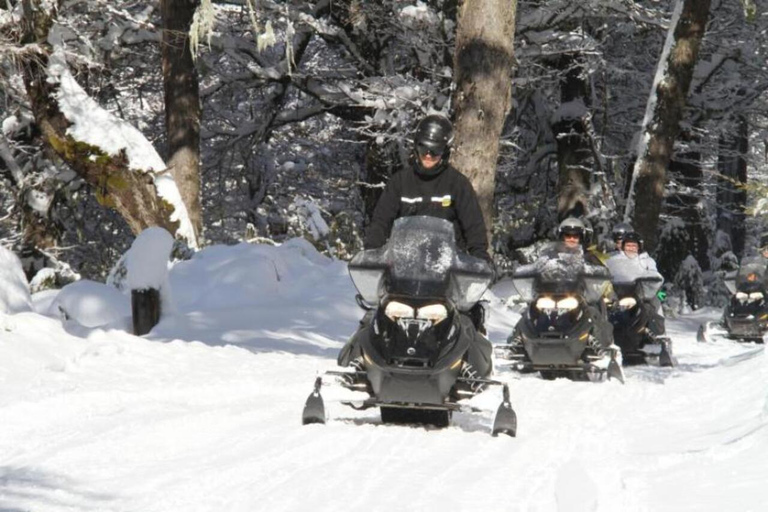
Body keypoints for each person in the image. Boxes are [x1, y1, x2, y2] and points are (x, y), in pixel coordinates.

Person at [339, 114, 493, 385]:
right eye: (424, 149)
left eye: (435, 150)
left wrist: (478, 261)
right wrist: (372, 253)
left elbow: (474, 228)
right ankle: (360, 362)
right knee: (376, 315)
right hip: (402, 270)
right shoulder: (400, 182)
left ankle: (468, 368)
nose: (429, 156)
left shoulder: (457, 184)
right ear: (415, 147)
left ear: (445, 151)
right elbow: (380, 222)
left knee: (465, 318)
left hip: (444, 272)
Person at [605, 231, 666, 337]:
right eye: (628, 245)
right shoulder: (613, 260)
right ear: (623, 246)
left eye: (634, 245)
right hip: (616, 293)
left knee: (653, 304)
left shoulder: (646, 261)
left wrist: (651, 281)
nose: (631, 248)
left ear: (639, 247)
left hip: (639, 294)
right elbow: (604, 272)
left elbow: (654, 274)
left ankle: (655, 333)